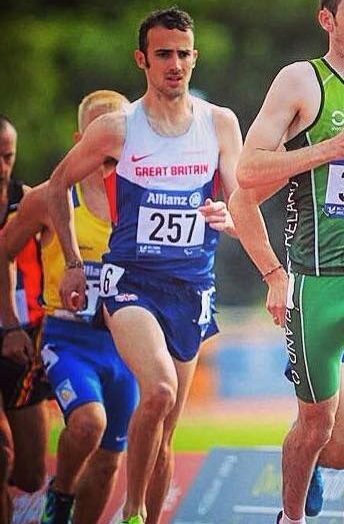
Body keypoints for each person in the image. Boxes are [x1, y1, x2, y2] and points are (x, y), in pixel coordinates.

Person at [46, 7, 242, 524]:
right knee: (158, 389)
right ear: (143, 60)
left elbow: (241, 206)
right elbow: (55, 185)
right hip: (130, 281)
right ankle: (130, 513)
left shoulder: (220, 123)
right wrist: (70, 262)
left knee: (164, 433)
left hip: (192, 289)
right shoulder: (118, 128)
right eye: (163, 54)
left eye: (182, 54)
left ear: (194, 58)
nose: (174, 64)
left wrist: (228, 213)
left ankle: (150, 519)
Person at [0, 91, 138, 524]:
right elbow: (3, 252)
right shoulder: (50, 197)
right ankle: (60, 495)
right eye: (101, 129)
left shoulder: (143, 194)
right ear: (82, 137)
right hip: (68, 337)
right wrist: (10, 324)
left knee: (110, 460)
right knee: (87, 423)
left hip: (125, 342)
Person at [230, 1, 344, 523]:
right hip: (318, 281)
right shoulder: (304, 81)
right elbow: (246, 177)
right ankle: (291, 518)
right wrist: (330, 149)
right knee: (320, 430)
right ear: (328, 19)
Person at [0, 116, 49, 524]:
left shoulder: (28, 200)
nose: (2, 165)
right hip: (10, 329)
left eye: (8, 156)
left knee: (32, 474)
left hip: (27, 337)